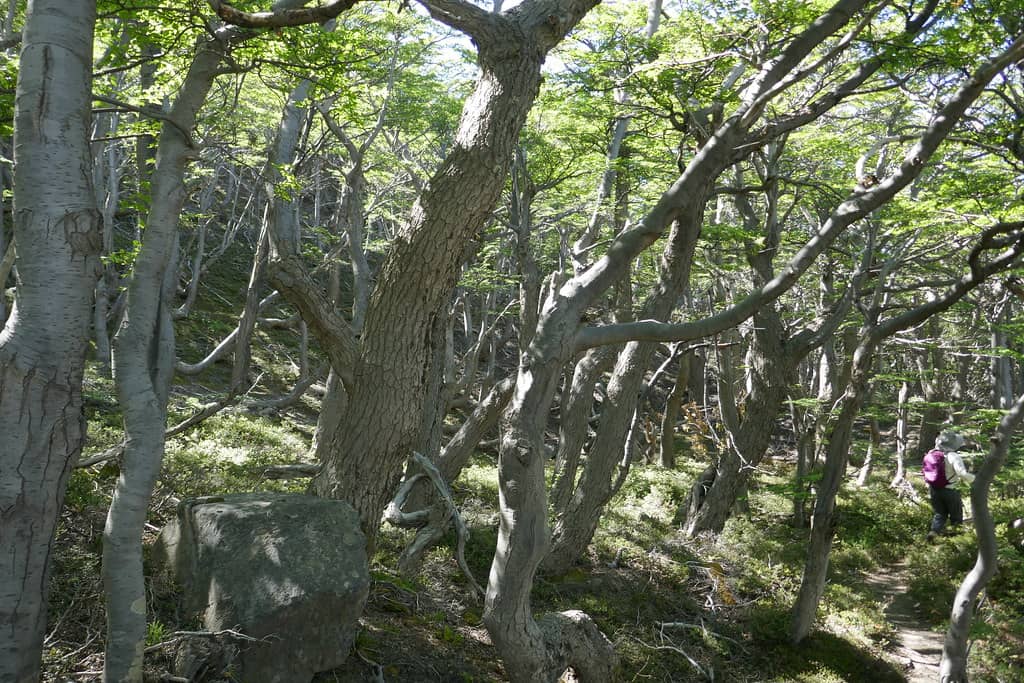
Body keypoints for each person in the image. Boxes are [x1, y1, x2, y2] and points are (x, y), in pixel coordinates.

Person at [923, 431, 974, 543]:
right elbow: (962, 473)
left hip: (934, 490)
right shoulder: (953, 456)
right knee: (956, 518)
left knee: (940, 514)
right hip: (950, 490)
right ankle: (957, 542)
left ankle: (933, 534)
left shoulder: (931, 454)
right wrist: (976, 479)